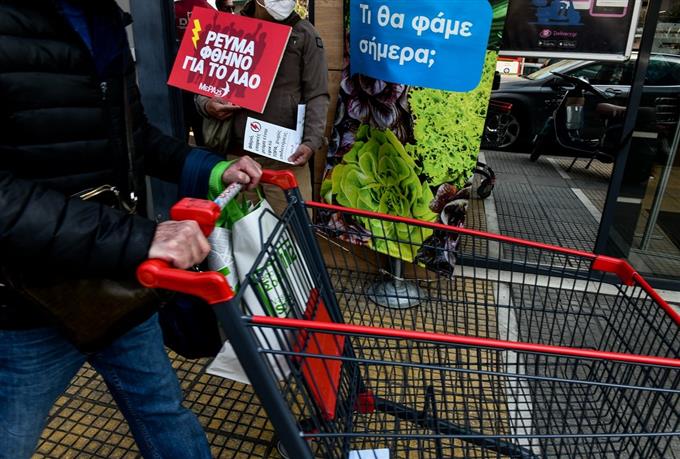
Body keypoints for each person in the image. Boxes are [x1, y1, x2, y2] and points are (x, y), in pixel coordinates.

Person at [0, 1, 262, 458]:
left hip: (120, 279)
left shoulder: (102, 20)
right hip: (29, 302)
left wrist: (210, 168)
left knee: (162, 409)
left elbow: (132, 135)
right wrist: (142, 238)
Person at [196, 0, 329, 214]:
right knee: (242, 231)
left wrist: (311, 142)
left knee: (294, 230)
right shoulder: (230, 27)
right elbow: (203, 82)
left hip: (285, 161)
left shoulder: (305, 35)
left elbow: (317, 94)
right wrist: (207, 105)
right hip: (238, 160)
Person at [174, 0, 214, 146]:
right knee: (205, 137)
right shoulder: (208, 9)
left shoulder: (173, 10)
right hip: (203, 82)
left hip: (178, 81)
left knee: (179, 136)